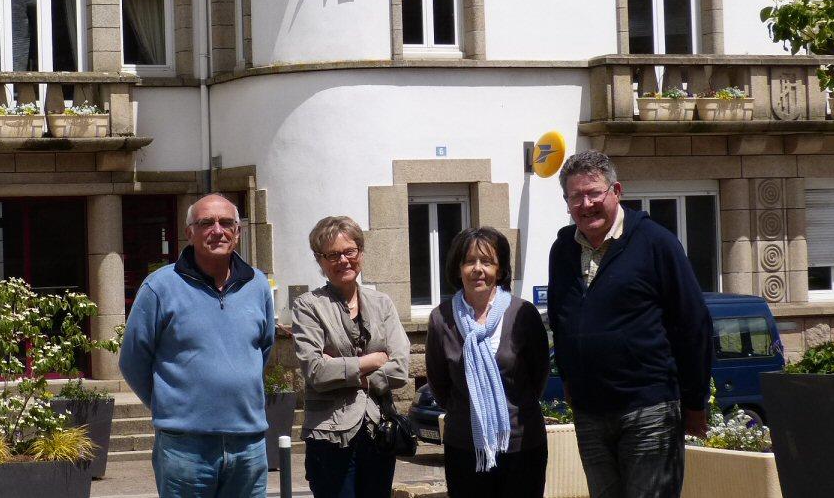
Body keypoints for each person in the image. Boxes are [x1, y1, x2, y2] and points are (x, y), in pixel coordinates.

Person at [547, 151, 713, 498]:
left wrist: (694, 402)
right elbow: (561, 320)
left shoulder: (656, 243)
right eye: (575, 196)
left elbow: (693, 324)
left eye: (594, 193)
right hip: (590, 413)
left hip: (648, 409)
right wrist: (568, 377)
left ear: (616, 191)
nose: (586, 204)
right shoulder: (562, 249)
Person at [119, 194, 275, 498]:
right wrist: (171, 404)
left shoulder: (257, 285)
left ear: (238, 232)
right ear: (189, 232)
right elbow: (133, 360)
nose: (217, 230)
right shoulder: (160, 287)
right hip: (185, 447)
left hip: (248, 443)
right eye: (206, 223)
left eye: (226, 222)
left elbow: (262, 350)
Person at [425, 227, 551, 498]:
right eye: (469, 261)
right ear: (458, 269)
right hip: (464, 446)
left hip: (522, 443)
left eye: (487, 262)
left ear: (501, 270)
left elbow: (539, 374)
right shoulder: (441, 319)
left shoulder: (523, 313)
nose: (478, 269)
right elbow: (439, 384)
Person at [291, 216, 410, 498]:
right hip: (329, 436)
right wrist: (373, 360)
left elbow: (401, 367)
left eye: (350, 251)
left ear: (361, 253)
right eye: (332, 255)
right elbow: (316, 372)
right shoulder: (308, 306)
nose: (343, 260)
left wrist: (342, 369)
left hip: (379, 431)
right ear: (320, 261)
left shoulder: (382, 303)